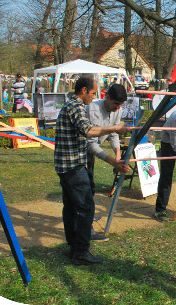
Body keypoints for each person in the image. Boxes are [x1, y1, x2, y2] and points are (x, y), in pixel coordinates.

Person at [54, 77, 131, 265]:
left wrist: (116, 150)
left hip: (68, 164)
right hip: (72, 164)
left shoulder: (73, 105)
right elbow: (88, 131)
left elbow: (99, 134)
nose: (94, 97)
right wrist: (115, 128)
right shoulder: (76, 106)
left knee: (72, 207)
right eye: (93, 93)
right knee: (86, 206)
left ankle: (74, 247)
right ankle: (81, 251)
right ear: (84, 90)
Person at [86, 84, 127, 242]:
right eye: (116, 104)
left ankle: (87, 216)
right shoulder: (93, 109)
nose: (118, 109)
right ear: (107, 96)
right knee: (86, 188)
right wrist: (112, 162)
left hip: (91, 149)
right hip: (81, 151)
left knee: (90, 186)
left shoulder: (118, 110)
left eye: (121, 105)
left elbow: (114, 134)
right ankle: (87, 227)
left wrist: (118, 156)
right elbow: (91, 144)